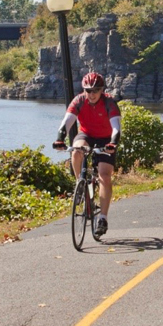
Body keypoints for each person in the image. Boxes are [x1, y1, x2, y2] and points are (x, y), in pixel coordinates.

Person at [52, 72, 121, 237]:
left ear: (102, 90)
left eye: (96, 90)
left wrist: (112, 144)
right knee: (76, 151)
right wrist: (59, 139)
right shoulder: (79, 101)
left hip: (106, 138)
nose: (92, 94)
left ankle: (103, 218)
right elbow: (66, 123)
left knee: (104, 175)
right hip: (86, 135)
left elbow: (116, 128)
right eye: (88, 90)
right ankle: (80, 185)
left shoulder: (109, 102)